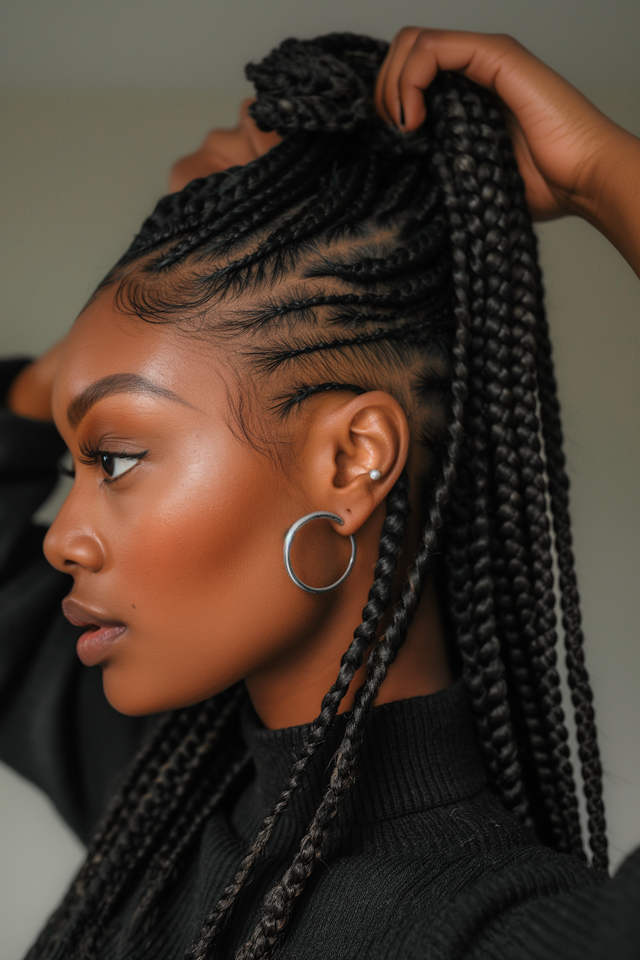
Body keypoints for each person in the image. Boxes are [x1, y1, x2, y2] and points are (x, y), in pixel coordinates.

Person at [1, 27, 639, 960]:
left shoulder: (494, 930)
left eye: (120, 459)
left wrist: (605, 177)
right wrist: (196, 257)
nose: (64, 540)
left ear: (351, 463)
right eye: (74, 460)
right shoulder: (163, 800)